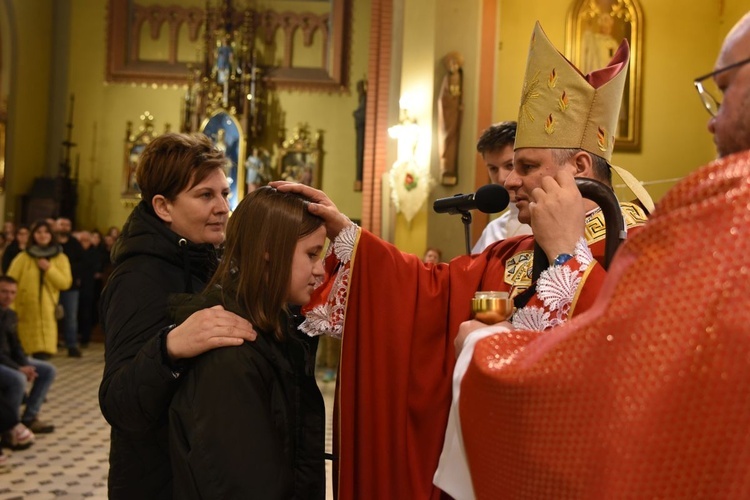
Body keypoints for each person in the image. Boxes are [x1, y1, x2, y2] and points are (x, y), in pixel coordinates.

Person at [270, 21, 652, 498]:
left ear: (579, 168)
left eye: (527, 167)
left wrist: (565, 258)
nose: (511, 180)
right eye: (512, 167)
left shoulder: (644, 248)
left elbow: (624, 368)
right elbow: (432, 291)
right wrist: (352, 239)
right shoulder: (513, 254)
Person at [451, 12, 750, 498]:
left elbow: (629, 370)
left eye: (725, 87)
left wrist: (487, 351)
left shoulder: (693, 214)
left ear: (582, 167)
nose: (712, 119)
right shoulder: (517, 243)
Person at [98, 132, 256, 500]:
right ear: (163, 207)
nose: (223, 207)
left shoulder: (208, 257)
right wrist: (168, 348)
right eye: (205, 195)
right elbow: (119, 403)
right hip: (158, 481)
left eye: (224, 194)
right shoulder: (137, 278)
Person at [169, 186, 326, 498]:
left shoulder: (275, 327)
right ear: (269, 250)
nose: (320, 270)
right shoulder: (231, 351)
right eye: (312, 254)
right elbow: (241, 484)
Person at [7, 220, 72, 360]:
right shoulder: (23, 257)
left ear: (51, 235)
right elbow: (9, 284)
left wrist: (49, 269)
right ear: (33, 235)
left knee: (42, 357)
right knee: (21, 355)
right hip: (24, 313)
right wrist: (11, 310)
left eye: (46, 232)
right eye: (39, 232)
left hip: (47, 314)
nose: (43, 235)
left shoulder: (61, 258)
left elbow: (65, 283)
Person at [0, 276, 56, 434]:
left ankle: (29, 418)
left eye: (12, 292)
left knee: (47, 370)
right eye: (4, 292)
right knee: (17, 379)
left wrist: (25, 364)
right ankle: (9, 427)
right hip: (4, 362)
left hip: (9, 359)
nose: (8, 296)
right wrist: (19, 368)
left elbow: (16, 345)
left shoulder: (10, 314)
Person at [471, 121, 532, 253]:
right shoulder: (493, 231)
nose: (501, 178)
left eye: (509, 165)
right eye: (493, 168)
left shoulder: (559, 220)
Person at [55, 217, 84, 357]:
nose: (64, 227)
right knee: (50, 315)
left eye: (67, 225)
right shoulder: (52, 242)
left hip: (70, 286)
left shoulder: (74, 243)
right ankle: (51, 344)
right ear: (56, 226)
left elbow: (81, 263)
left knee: (71, 317)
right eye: (62, 224)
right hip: (52, 285)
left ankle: (71, 345)